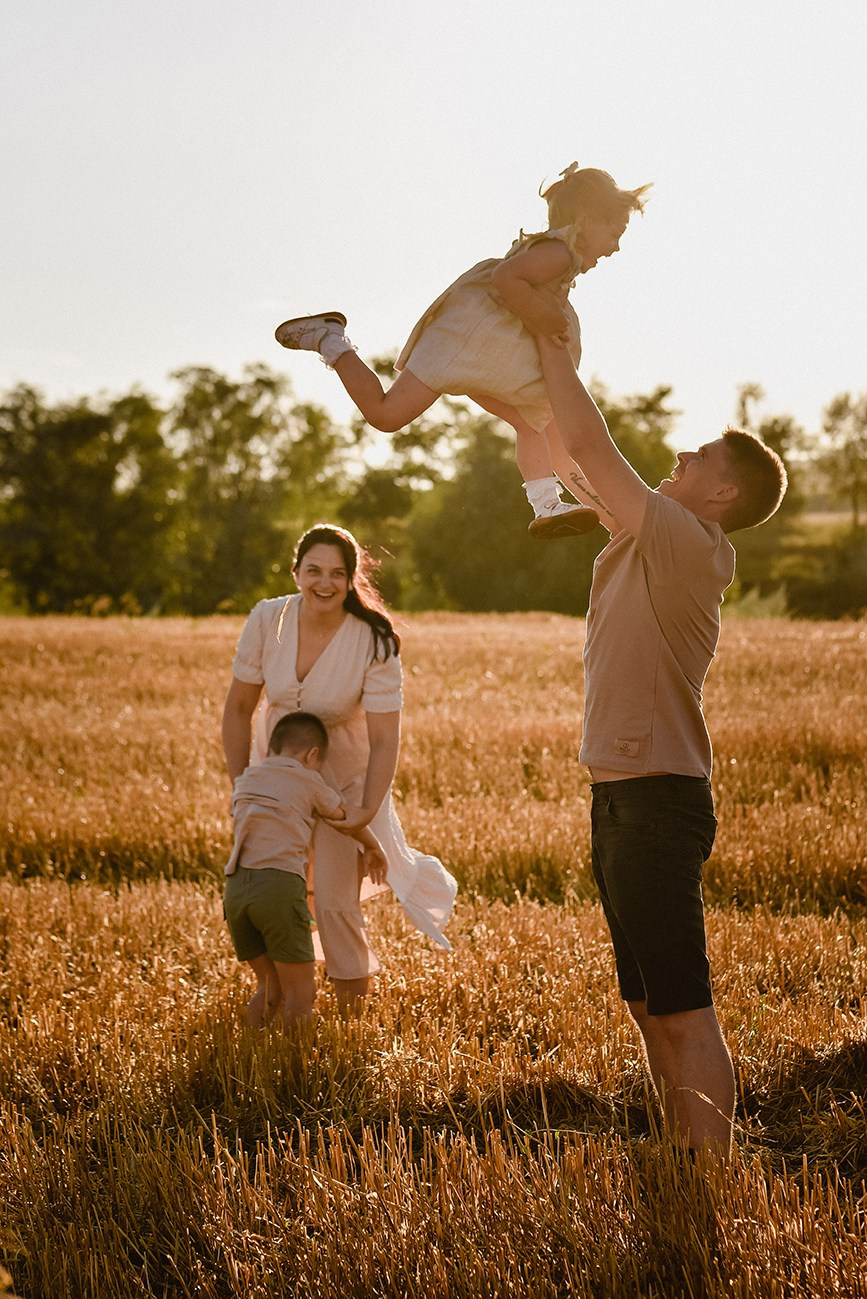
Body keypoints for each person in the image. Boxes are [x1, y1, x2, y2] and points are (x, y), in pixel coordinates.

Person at [536, 335, 787, 1154]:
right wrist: (518, 384)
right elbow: (562, 463)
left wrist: (548, 344)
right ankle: (676, 1152)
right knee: (646, 1005)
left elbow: (589, 446)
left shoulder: (685, 543)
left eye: (700, 452)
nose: (679, 452)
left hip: (654, 800)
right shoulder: (648, 540)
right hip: (619, 796)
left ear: (720, 491)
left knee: (682, 1007)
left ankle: (706, 1176)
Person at [274, 163, 650, 539]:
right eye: (615, 233)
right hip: (472, 338)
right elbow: (506, 278)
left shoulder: (560, 253)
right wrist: (545, 318)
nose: (616, 246)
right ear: (585, 220)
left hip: (489, 346)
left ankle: (550, 505)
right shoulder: (560, 254)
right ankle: (330, 340)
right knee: (387, 415)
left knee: (532, 420)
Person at [221, 523, 457, 1014]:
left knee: (331, 899)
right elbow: (239, 709)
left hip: (345, 785)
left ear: (351, 580)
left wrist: (366, 808)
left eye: (336, 573)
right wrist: (244, 786)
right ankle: (279, 987)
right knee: (274, 889)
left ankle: (352, 1005)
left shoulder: (374, 639)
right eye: (313, 571)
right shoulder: (269, 620)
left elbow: (385, 735)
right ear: (296, 572)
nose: (323, 583)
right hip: (278, 782)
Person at [224, 710, 387, 1028]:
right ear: (313, 755)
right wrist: (372, 846)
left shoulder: (245, 780)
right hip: (279, 888)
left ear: (272, 747)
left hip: (236, 890)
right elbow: (342, 817)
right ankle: (293, 1068)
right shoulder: (308, 781)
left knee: (270, 987)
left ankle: (254, 1052)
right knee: (301, 991)